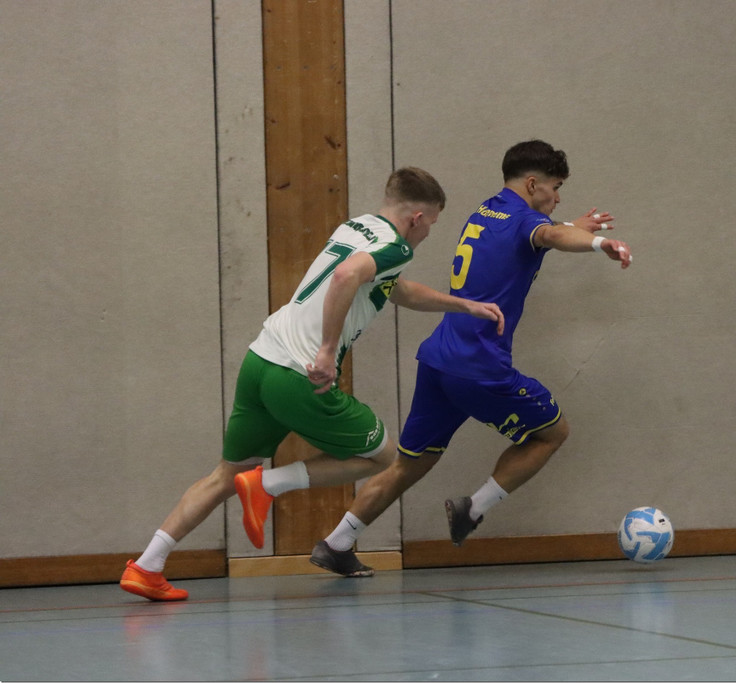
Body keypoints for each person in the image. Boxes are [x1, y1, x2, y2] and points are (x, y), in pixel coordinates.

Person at [119, 167, 504, 601]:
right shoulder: (396, 247)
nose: (429, 232)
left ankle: (147, 565)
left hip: (261, 359)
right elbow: (345, 277)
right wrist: (326, 350)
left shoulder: (357, 227)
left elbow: (396, 290)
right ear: (417, 218)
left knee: (226, 474)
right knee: (381, 456)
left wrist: (464, 305)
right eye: (431, 223)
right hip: (297, 373)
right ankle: (267, 485)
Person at [298, 139, 633, 576]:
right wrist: (596, 243)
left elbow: (539, 232)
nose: (557, 198)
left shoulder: (486, 212)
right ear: (533, 184)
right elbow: (549, 234)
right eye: (556, 187)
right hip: (479, 367)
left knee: (411, 462)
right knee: (552, 433)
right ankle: (472, 509)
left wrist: (574, 225)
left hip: (439, 360)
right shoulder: (531, 223)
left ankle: (336, 543)